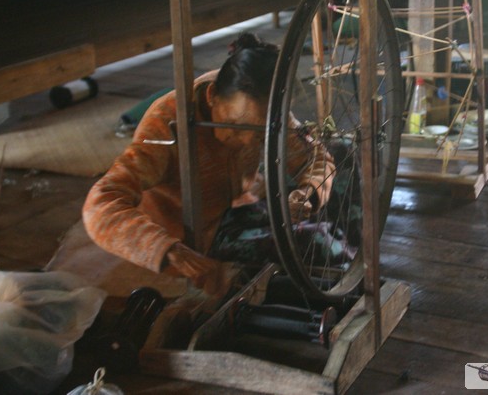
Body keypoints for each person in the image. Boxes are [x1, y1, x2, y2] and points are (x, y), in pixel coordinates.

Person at [83, 33, 335, 296]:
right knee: (317, 242)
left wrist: (307, 192)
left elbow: (317, 158)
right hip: (190, 235)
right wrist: (163, 247)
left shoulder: (260, 99)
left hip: (234, 208)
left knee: (340, 165)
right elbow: (100, 203)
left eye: (259, 133)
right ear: (212, 95)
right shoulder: (165, 124)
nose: (246, 141)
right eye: (236, 126)